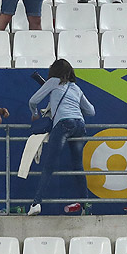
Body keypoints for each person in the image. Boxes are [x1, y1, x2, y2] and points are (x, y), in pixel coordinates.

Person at [25, 59, 94, 216]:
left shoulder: (53, 82)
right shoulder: (76, 87)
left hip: (63, 124)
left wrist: (35, 114)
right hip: (80, 126)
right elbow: (91, 111)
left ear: (54, 71)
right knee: (78, 166)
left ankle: (36, 203)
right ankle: (86, 207)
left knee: (49, 165)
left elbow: (33, 101)